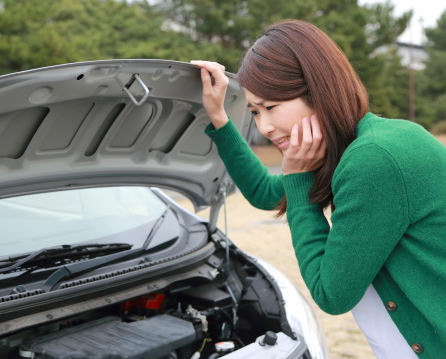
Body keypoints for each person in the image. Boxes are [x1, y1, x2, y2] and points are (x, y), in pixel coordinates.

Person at [190, 19, 446, 359]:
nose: (264, 126)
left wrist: (297, 179)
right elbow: (267, 191)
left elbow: (331, 294)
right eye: (254, 111)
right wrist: (220, 119)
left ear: (318, 91)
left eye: (271, 107)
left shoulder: (373, 160)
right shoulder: (358, 147)